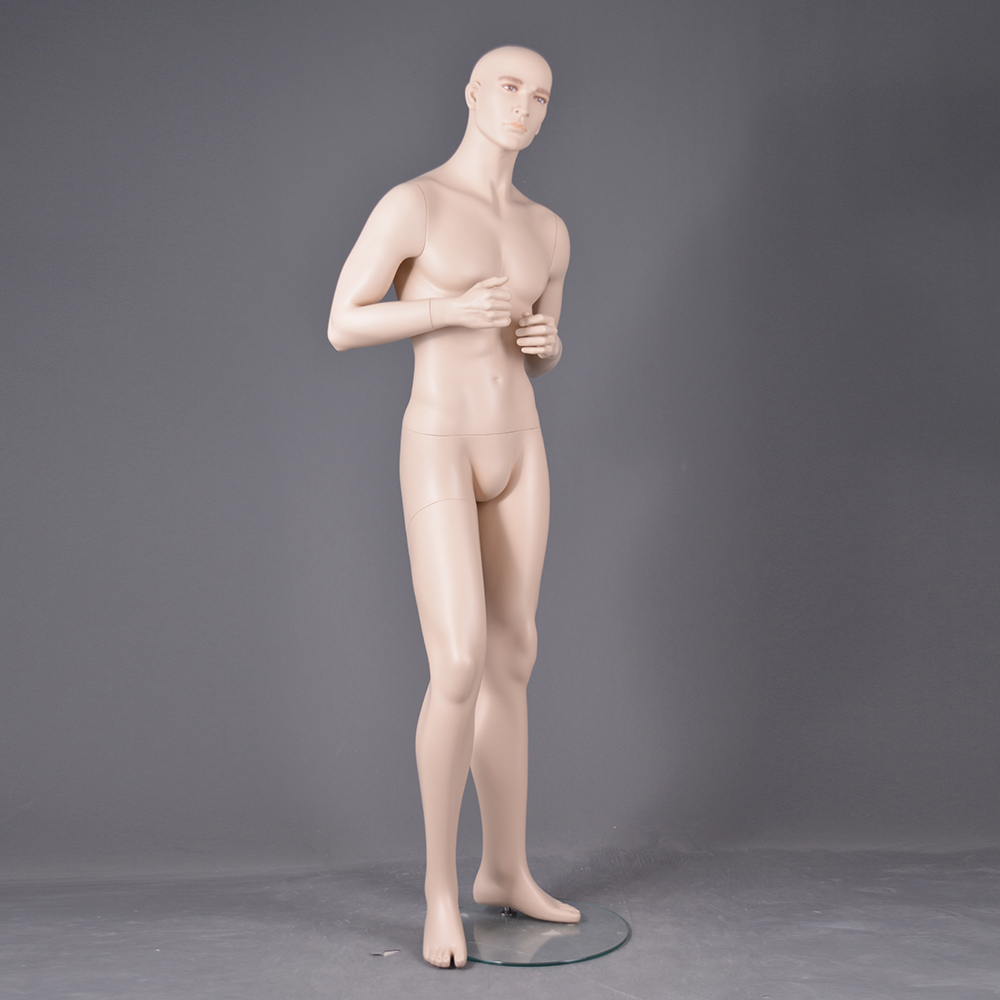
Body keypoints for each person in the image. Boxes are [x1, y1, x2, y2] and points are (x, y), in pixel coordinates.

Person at [328, 45, 579, 969]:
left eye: (540, 96)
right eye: (509, 87)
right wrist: (444, 311)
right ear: (473, 94)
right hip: (439, 442)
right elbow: (343, 321)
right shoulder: (416, 204)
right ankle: (439, 887)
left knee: (515, 654)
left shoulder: (548, 229)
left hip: (521, 446)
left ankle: (503, 869)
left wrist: (546, 344)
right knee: (461, 661)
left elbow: (539, 354)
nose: (523, 105)